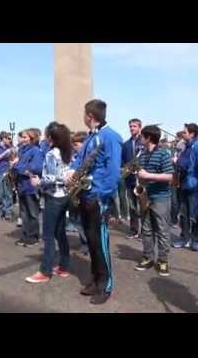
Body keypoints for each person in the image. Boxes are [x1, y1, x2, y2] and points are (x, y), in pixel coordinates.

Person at [66, 99, 122, 305]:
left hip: (98, 198)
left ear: (89, 115)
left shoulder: (111, 137)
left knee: (101, 244)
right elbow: (79, 160)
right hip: (85, 195)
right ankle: (96, 279)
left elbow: (114, 171)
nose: (83, 116)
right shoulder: (92, 137)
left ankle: (106, 285)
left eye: (84, 113)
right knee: (91, 242)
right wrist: (72, 171)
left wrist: (101, 195)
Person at [25, 123, 73, 283]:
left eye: (47, 135)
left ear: (52, 138)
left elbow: (53, 178)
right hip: (65, 195)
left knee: (48, 235)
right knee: (60, 233)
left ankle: (45, 271)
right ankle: (64, 267)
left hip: (54, 197)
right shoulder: (67, 152)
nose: (45, 138)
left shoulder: (52, 154)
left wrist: (38, 182)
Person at [133, 125, 174, 276]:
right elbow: (141, 174)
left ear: (149, 138)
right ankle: (148, 257)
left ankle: (163, 261)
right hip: (146, 196)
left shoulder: (163, 153)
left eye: (142, 136)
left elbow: (170, 176)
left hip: (161, 197)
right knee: (146, 229)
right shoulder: (142, 154)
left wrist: (148, 176)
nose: (140, 139)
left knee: (162, 230)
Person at [10, 128, 44, 247]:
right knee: (24, 213)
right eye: (23, 137)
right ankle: (25, 235)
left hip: (31, 186)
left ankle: (33, 237)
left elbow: (36, 167)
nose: (22, 140)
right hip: (22, 185)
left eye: (25, 137)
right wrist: (17, 167)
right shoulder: (22, 150)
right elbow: (17, 166)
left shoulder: (36, 150)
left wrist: (18, 167)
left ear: (32, 138)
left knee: (33, 213)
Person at [173, 124, 198, 249]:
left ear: (192, 133)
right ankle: (184, 237)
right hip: (183, 183)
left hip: (193, 184)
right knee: (183, 213)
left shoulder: (196, 146)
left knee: (195, 213)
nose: (183, 134)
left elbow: (190, 164)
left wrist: (179, 163)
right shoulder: (185, 146)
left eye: (185, 132)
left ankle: (195, 240)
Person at [122, 118, 144, 239]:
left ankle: (145, 231)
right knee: (132, 206)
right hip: (130, 179)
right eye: (130, 126)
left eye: (134, 126)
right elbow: (123, 161)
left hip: (142, 179)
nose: (132, 128)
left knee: (144, 205)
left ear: (140, 127)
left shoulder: (145, 141)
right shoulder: (126, 144)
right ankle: (134, 229)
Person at [69, 131, 89, 255]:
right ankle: (85, 241)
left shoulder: (87, 157)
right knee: (76, 218)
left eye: (76, 144)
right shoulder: (75, 157)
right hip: (75, 191)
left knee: (85, 219)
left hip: (85, 190)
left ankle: (88, 243)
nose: (74, 147)